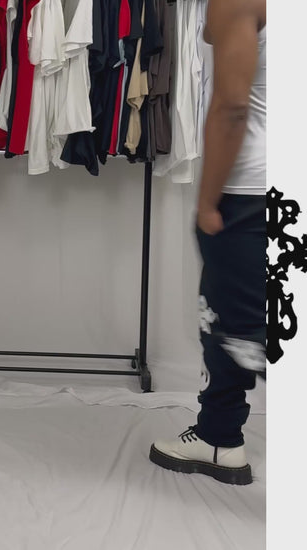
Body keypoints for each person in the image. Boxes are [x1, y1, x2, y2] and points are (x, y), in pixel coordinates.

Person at [149, 0, 266, 485]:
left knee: (241, 330)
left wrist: (207, 202)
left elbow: (232, 107)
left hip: (251, 193)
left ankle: (220, 434)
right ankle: (219, 437)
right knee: (230, 324)